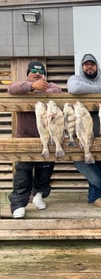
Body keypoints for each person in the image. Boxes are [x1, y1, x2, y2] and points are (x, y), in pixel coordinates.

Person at [8, 60, 62, 219]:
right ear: (28, 74)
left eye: (40, 72)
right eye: (33, 72)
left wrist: (40, 90)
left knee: (44, 171)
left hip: (47, 139)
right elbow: (11, 89)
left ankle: (38, 195)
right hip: (25, 138)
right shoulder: (21, 87)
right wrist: (32, 87)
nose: (37, 74)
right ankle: (18, 204)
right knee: (22, 173)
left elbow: (58, 92)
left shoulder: (50, 86)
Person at [67, 53, 101, 208]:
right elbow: (74, 89)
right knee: (81, 162)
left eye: (92, 64)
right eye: (86, 64)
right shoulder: (76, 79)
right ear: (82, 67)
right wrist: (100, 90)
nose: (89, 67)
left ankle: (95, 198)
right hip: (80, 132)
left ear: (96, 66)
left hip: (100, 132)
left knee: (100, 164)